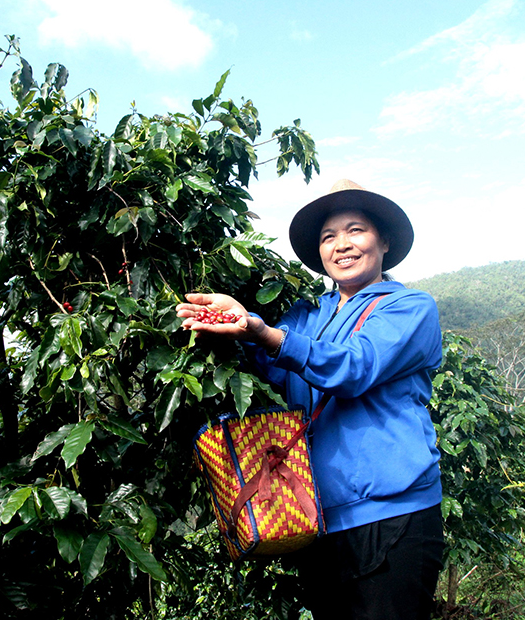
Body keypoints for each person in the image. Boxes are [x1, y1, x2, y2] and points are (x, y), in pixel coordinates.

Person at [177, 179, 445, 620]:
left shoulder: (410, 308)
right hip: (313, 521)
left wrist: (264, 332)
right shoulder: (306, 315)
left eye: (355, 230)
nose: (342, 245)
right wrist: (236, 321)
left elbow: (355, 367)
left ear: (384, 242)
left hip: (392, 518)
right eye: (328, 236)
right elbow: (274, 366)